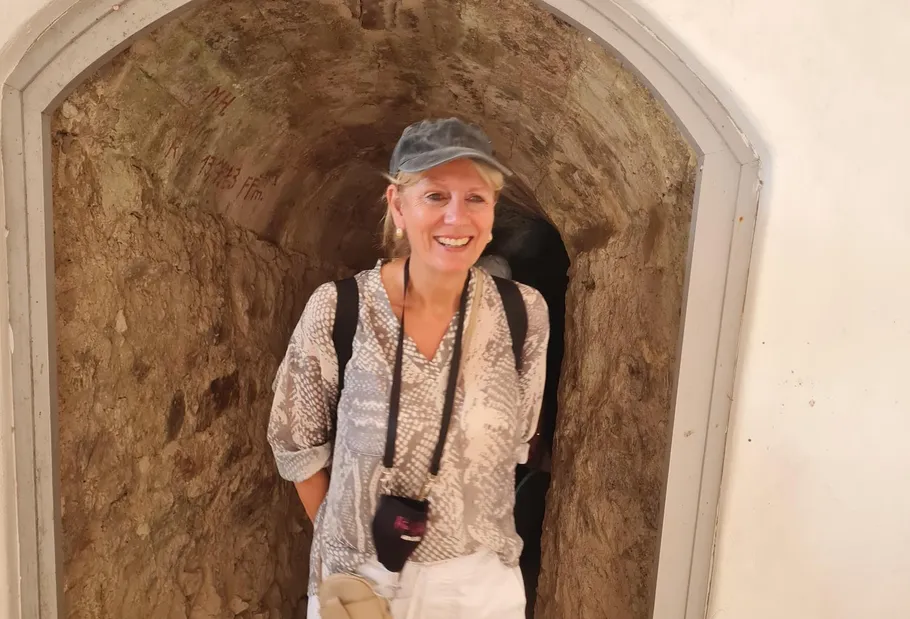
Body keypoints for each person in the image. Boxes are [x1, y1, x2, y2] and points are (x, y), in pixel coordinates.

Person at [267, 118, 550, 619]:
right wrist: (348, 555)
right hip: (363, 582)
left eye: (475, 198)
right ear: (398, 206)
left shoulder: (522, 313)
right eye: (435, 196)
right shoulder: (341, 309)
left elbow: (519, 438)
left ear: (492, 212)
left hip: (478, 585)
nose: (456, 217)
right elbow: (297, 446)